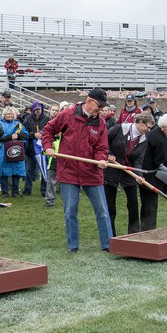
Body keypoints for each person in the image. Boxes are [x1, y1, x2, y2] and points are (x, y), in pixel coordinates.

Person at [42, 89, 114, 251]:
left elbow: (102, 147)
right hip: (69, 172)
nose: (100, 109)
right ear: (89, 101)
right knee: (70, 211)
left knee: (102, 210)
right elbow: (47, 131)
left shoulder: (100, 123)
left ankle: (108, 244)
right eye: (98, 105)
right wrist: (48, 147)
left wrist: (101, 158)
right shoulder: (67, 115)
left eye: (103, 107)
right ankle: (72, 245)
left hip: (92, 173)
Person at [104, 112, 153, 236]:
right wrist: (108, 153)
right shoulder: (119, 129)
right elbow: (104, 140)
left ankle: (134, 233)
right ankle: (111, 236)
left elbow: (138, 159)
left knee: (133, 205)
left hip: (128, 172)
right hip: (111, 170)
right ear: (140, 122)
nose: (149, 130)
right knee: (110, 207)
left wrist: (138, 175)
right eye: (148, 126)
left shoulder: (144, 139)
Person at [138, 113, 167, 230]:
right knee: (150, 205)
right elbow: (160, 163)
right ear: (164, 127)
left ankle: (146, 228)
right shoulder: (161, 140)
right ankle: (149, 229)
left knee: (146, 205)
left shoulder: (154, 133)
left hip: (146, 173)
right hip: (152, 176)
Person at [0, 107, 28, 198]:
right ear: (4, 115)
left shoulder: (18, 124)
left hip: (16, 150)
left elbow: (26, 135)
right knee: (4, 172)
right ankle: (5, 192)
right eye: (8, 114)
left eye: (11, 114)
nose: (10, 115)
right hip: (3, 150)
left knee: (16, 171)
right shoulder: (0, 124)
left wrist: (18, 136)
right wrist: (10, 137)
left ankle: (15, 192)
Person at [23, 101, 50, 197]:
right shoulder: (27, 119)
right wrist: (33, 134)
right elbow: (25, 131)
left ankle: (44, 190)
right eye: (35, 110)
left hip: (43, 148)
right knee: (29, 170)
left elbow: (50, 130)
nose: (37, 111)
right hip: (31, 149)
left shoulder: (47, 119)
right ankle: (27, 190)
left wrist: (43, 134)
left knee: (44, 170)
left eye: (39, 109)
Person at [44, 104, 61, 208]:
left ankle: (68, 200)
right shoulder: (48, 124)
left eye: (57, 110)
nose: (55, 112)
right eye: (53, 110)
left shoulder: (62, 122)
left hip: (66, 157)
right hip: (54, 157)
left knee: (66, 181)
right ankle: (49, 201)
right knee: (51, 181)